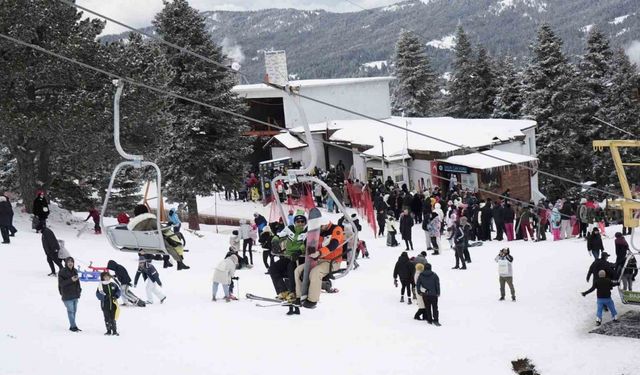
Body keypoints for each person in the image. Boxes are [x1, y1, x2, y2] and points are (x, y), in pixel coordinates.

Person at [293, 220, 344, 309]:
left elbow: (333, 244)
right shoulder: (318, 231)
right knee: (298, 270)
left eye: (323, 225)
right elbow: (310, 242)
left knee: (315, 272)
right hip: (319, 260)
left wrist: (320, 253)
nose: (321, 227)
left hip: (332, 261)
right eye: (319, 225)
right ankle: (299, 296)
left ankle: (312, 300)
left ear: (328, 222)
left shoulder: (336, 229)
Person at [128, 204, 189, 270]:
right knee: (170, 241)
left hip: (142, 247)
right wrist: (168, 228)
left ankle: (174, 262)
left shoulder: (133, 226)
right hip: (155, 245)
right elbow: (163, 230)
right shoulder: (150, 220)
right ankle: (179, 261)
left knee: (163, 241)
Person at [270, 214, 307, 301]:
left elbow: (307, 244)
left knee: (291, 267)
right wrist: (275, 242)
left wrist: (299, 251)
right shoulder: (289, 229)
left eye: (302, 222)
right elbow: (278, 235)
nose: (300, 223)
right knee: (273, 268)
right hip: (288, 256)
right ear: (295, 223)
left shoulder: (307, 231)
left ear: (305, 223)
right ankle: (283, 291)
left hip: (299, 257)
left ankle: (293, 292)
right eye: (298, 222)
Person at [58, 257, 82, 332]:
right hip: (67, 296)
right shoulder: (62, 272)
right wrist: (71, 280)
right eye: (69, 262)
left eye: (72, 261)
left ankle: (73, 325)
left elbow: (78, 283)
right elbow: (61, 284)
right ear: (66, 263)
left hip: (75, 295)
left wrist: (79, 290)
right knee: (70, 311)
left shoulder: (75, 270)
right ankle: (73, 326)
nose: (70, 263)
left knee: (74, 311)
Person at [96, 271, 121, 335]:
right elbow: (98, 294)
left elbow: (118, 291)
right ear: (102, 278)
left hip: (113, 305)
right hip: (105, 305)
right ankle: (108, 330)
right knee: (107, 318)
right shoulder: (100, 286)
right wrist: (105, 297)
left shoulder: (113, 284)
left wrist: (116, 296)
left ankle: (114, 330)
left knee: (113, 318)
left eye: (108, 276)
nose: (107, 278)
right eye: (105, 277)